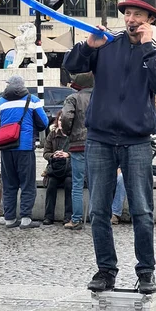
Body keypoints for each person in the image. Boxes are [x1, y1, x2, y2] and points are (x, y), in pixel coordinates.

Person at [63, 0, 156, 294]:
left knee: (141, 209)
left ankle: (146, 271)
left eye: (138, 14)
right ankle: (105, 269)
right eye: (127, 13)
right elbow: (72, 67)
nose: (131, 19)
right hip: (99, 138)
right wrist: (88, 46)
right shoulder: (108, 42)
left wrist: (146, 46)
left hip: (137, 139)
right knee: (98, 209)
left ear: (151, 19)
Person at [0, 75, 49, 230]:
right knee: (27, 183)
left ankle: (9, 219)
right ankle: (25, 219)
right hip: (24, 147)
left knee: (9, 183)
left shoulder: (0, 103)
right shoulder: (33, 100)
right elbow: (44, 123)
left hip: (6, 148)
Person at [61, 71, 94, 231]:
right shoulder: (100, 96)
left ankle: (76, 219)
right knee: (97, 183)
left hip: (78, 144)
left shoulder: (73, 98)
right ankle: (98, 217)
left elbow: (66, 117)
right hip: (97, 144)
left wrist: (69, 132)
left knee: (77, 183)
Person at [42, 113, 72, 226]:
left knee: (70, 184)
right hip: (54, 169)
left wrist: (67, 154)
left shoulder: (73, 136)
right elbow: (45, 153)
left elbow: (79, 153)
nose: (61, 122)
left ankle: (68, 216)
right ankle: (48, 216)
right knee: (51, 184)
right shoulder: (52, 135)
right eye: (59, 120)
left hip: (69, 169)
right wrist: (53, 155)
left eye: (63, 120)